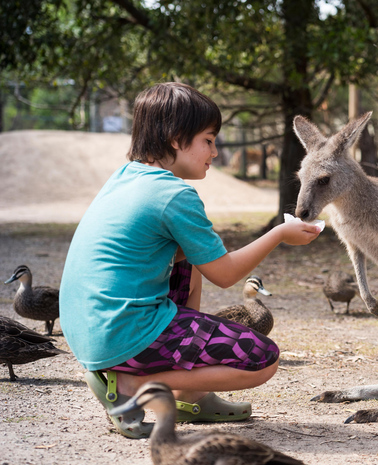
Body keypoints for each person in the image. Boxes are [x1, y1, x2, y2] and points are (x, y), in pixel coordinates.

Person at [59, 82, 321, 438]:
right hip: (122, 333)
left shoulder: (125, 177)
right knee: (263, 359)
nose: (214, 151)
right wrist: (278, 234)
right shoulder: (174, 194)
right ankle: (132, 386)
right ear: (174, 138)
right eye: (208, 140)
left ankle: (189, 395)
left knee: (188, 256)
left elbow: (201, 261)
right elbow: (226, 274)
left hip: (90, 331)